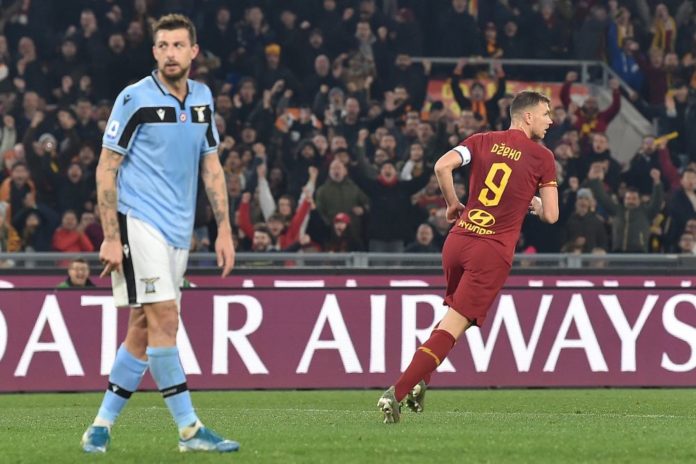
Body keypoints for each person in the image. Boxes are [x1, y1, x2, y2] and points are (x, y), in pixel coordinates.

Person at [81, 14, 239, 453]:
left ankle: (100, 426)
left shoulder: (203, 98)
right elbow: (106, 167)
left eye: (178, 45)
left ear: (194, 51)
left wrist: (224, 229)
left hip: (178, 231)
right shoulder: (134, 98)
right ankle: (190, 430)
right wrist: (110, 236)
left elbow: (212, 166)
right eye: (163, 46)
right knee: (166, 318)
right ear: (154, 52)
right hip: (138, 221)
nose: (171, 53)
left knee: (142, 328)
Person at [377, 91, 558, 423]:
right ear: (528, 116)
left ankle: (421, 382)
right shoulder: (542, 157)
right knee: (453, 326)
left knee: (453, 320)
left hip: (457, 241)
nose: (551, 120)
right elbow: (551, 215)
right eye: (546, 114)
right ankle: (396, 392)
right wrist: (533, 204)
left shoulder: (481, 140)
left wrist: (452, 204)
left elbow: (441, 166)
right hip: (491, 251)